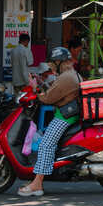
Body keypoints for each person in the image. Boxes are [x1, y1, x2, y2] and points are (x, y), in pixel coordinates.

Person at [19, 47, 81, 197]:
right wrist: (41, 84)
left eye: (53, 65)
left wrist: (35, 88)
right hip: (67, 114)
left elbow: (48, 98)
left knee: (46, 144)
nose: (51, 68)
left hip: (65, 117)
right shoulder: (70, 74)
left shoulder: (66, 77)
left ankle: (37, 184)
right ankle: (37, 180)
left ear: (59, 63)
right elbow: (55, 91)